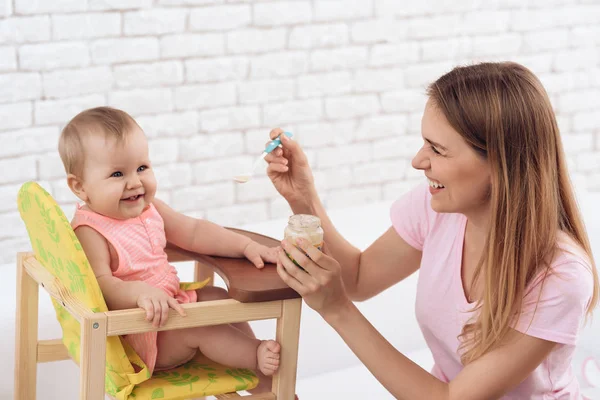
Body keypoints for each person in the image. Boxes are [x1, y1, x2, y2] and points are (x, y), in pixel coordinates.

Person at [265, 62, 599, 399]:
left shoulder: (561, 276)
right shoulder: (440, 207)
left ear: (501, 165)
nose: (418, 161)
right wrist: (303, 198)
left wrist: (337, 310)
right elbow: (359, 278)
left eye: (437, 149)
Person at [58, 107, 280, 389]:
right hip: (142, 331)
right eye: (117, 174)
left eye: (142, 168)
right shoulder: (91, 231)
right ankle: (255, 356)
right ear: (80, 187)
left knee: (218, 297)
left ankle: (261, 385)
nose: (135, 182)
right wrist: (140, 294)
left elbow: (194, 231)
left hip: (171, 306)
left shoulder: (148, 209)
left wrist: (246, 246)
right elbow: (101, 286)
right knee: (203, 326)